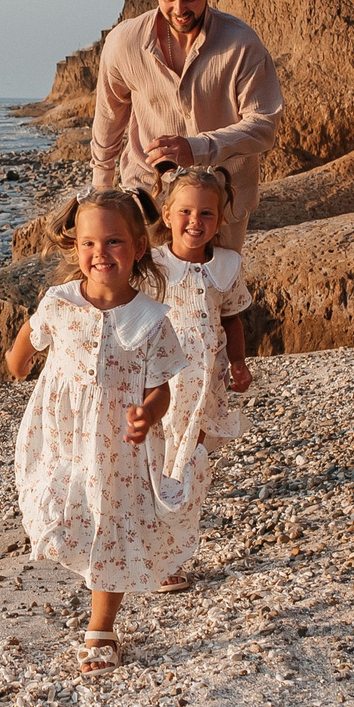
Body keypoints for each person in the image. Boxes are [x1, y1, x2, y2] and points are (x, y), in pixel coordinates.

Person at [5, 189, 195, 676]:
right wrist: (19, 361)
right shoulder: (60, 301)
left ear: (137, 247)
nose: (99, 254)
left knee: (111, 520)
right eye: (89, 243)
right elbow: (29, 338)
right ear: (76, 248)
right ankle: (85, 567)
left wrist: (148, 414)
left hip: (117, 445)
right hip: (61, 435)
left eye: (113, 242)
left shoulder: (152, 322)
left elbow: (163, 391)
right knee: (62, 509)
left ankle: (102, 628)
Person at [90, 0, 284, 251]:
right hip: (148, 201)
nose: (179, 9)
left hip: (221, 204)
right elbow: (109, 120)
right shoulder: (123, 43)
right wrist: (101, 191)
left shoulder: (243, 44)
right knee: (147, 297)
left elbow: (264, 126)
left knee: (214, 297)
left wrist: (197, 149)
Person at [144, 166, 253, 594]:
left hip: (206, 386)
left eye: (206, 214)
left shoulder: (225, 266)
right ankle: (158, 552)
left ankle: (171, 547)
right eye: (185, 211)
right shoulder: (153, 265)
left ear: (220, 220)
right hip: (162, 385)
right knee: (161, 465)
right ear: (167, 214)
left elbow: (233, 318)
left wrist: (239, 364)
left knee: (190, 469)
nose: (195, 222)